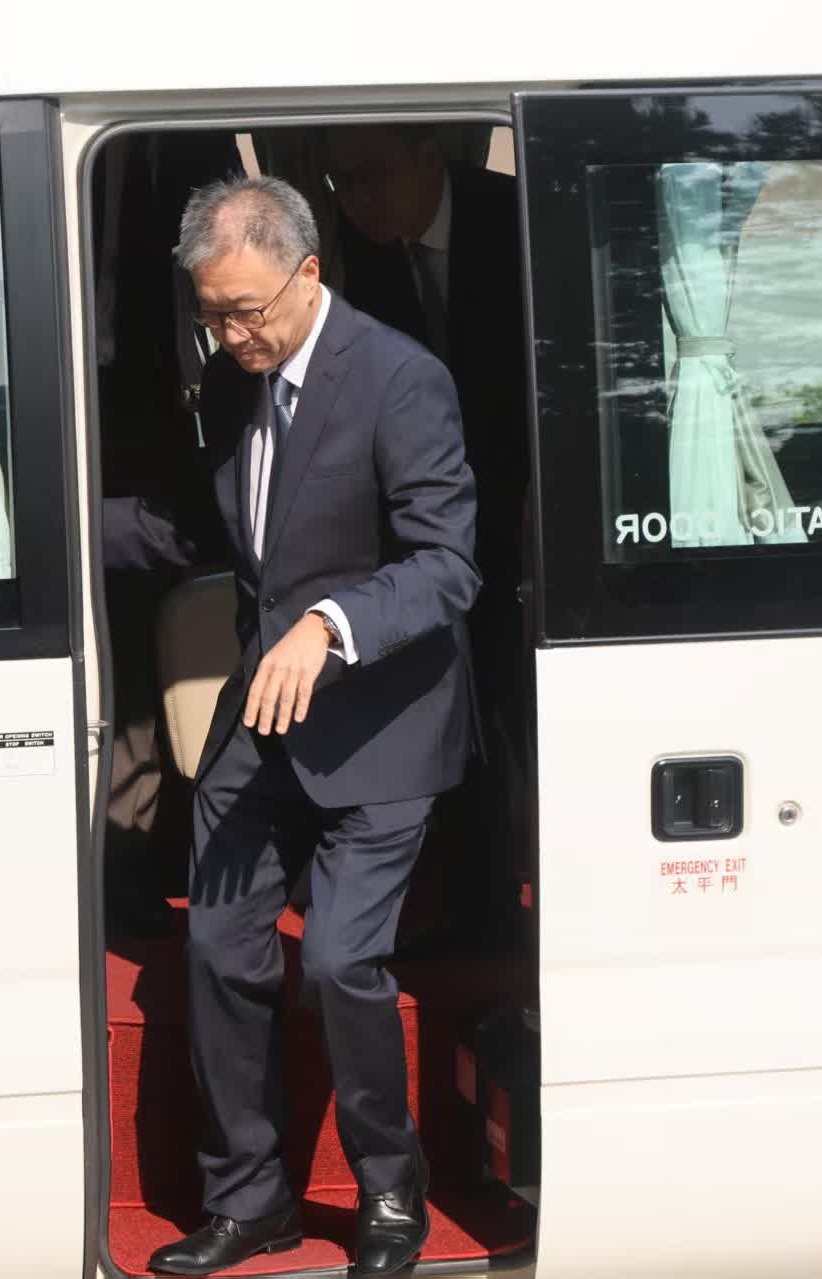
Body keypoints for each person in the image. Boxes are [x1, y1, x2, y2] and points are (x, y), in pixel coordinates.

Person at [104, 175, 479, 1276]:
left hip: (381, 724)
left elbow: (446, 563)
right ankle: (251, 1199)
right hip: (261, 721)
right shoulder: (230, 379)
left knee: (339, 963)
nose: (230, 335)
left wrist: (329, 625)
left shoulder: (401, 380)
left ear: (307, 273)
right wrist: (37, 523)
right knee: (217, 947)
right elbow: (192, 528)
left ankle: (390, 1188)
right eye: (211, 315)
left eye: (246, 311)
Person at [325, 124, 530, 951]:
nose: (356, 199)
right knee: (445, 691)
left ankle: (514, 898)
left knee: (512, 701)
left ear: (424, 156)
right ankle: (469, 895)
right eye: (341, 182)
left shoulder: (513, 217)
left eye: (370, 174)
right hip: (430, 512)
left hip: (529, 501)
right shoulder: (358, 243)